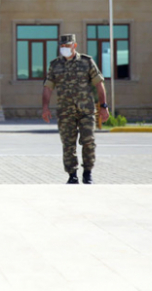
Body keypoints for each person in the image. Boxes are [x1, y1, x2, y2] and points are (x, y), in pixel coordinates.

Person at [42, 33, 109, 185]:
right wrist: (45, 107)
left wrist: (103, 106)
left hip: (86, 111)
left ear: (75, 45)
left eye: (68, 45)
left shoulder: (87, 62)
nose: (65, 48)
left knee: (88, 141)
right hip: (65, 112)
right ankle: (72, 175)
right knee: (68, 144)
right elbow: (48, 87)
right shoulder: (55, 65)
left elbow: (99, 84)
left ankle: (87, 173)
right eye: (62, 46)